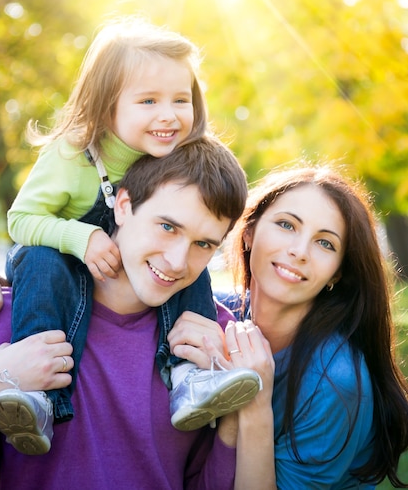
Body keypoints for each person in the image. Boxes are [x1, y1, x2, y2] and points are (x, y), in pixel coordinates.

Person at [0, 15, 259, 455]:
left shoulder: (175, 155)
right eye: (149, 101)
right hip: (56, 260)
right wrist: (80, 238)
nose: (168, 116)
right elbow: (20, 220)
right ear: (106, 108)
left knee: (188, 265)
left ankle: (188, 376)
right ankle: (37, 394)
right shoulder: (74, 155)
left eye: (181, 99)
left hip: (133, 268)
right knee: (41, 261)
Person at [0, 136, 263, 489]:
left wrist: (235, 417)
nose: (178, 262)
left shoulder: (211, 343)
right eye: (167, 227)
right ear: (123, 205)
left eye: (203, 244)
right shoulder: (10, 320)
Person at [171, 164, 408, 489]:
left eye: (325, 244)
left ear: (337, 274)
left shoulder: (336, 384)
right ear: (249, 232)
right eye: (286, 225)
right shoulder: (215, 311)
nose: (299, 251)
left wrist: (254, 401)